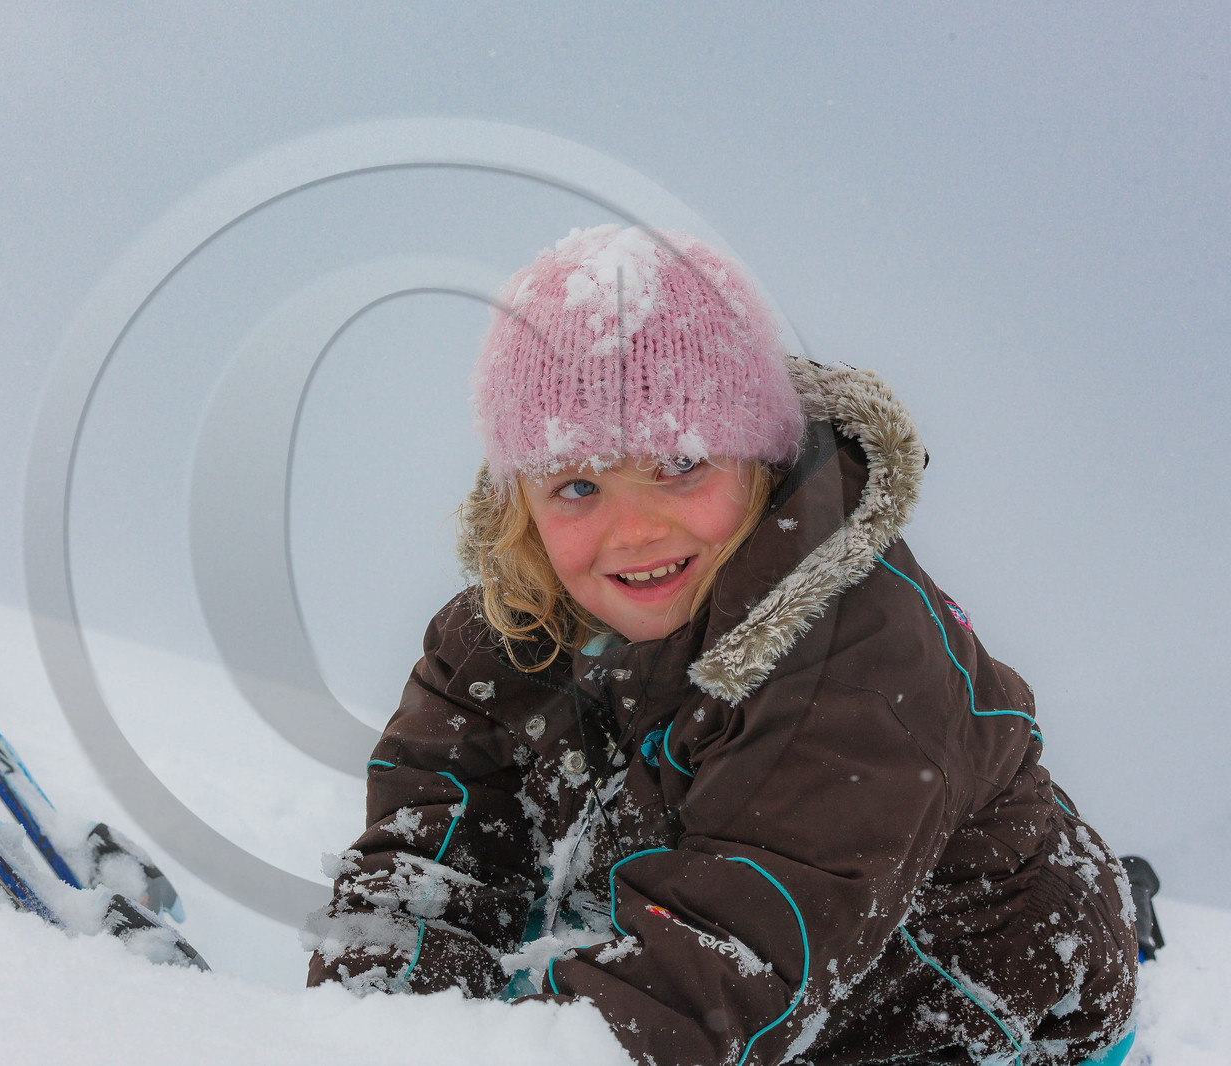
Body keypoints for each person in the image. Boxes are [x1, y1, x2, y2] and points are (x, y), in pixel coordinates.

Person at [305, 225, 1138, 1066]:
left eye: (679, 463)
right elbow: (432, 851)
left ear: (761, 467)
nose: (634, 529)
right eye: (579, 484)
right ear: (520, 504)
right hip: (719, 926)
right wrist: (375, 1013)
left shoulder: (856, 673)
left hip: (969, 999)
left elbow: (703, 985)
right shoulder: (505, 634)